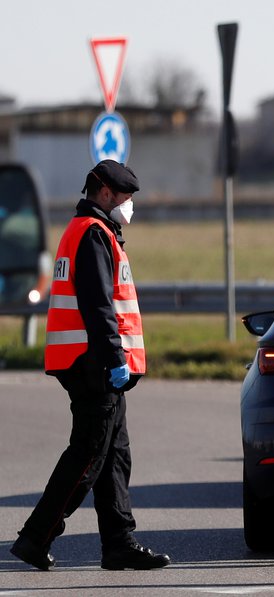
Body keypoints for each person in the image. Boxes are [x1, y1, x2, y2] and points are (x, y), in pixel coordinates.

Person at [10, 160, 170, 571]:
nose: (130, 206)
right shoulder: (93, 235)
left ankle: (119, 543)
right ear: (105, 194)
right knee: (88, 455)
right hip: (93, 363)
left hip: (87, 361)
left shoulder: (86, 231)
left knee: (114, 454)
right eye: (126, 198)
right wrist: (115, 358)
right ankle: (36, 536)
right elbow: (98, 306)